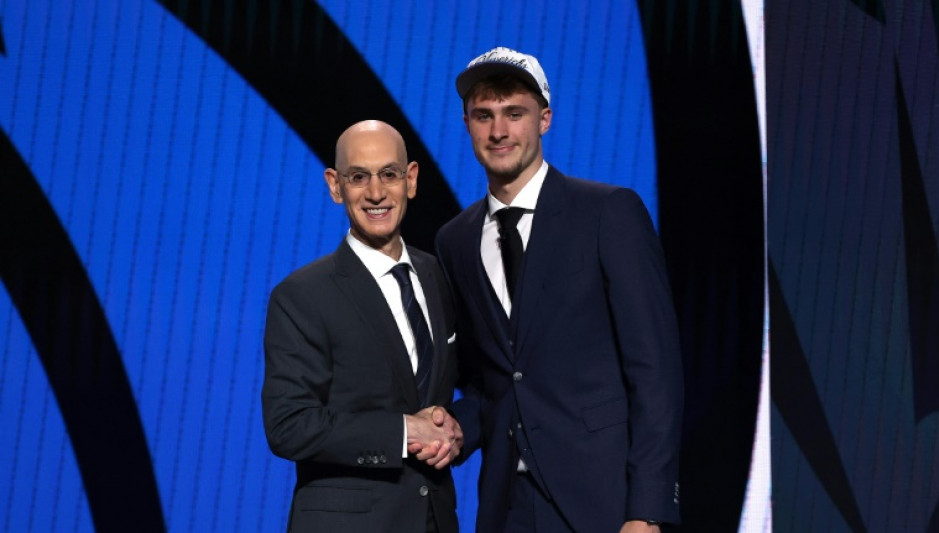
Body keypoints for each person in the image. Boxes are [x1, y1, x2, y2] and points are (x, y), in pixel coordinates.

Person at [435, 47, 684, 532]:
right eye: (484, 116)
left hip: (603, 502)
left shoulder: (608, 213)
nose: (499, 131)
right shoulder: (455, 240)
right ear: (467, 124)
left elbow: (655, 371)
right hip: (506, 505)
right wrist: (455, 426)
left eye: (514, 113)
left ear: (544, 119)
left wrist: (647, 510)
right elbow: (491, 381)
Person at [262, 120, 462, 532]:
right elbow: (289, 425)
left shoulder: (437, 276)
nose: (375, 193)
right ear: (335, 186)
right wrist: (404, 431)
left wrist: (456, 429)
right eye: (358, 177)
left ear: (411, 180)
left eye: (389, 174)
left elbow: (473, 385)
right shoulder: (302, 295)